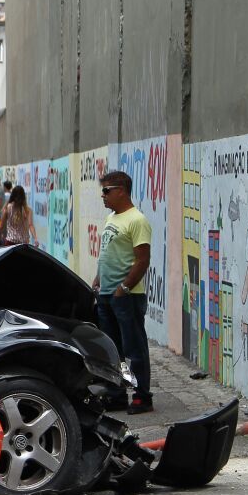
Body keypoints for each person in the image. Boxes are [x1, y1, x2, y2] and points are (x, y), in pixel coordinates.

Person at [92, 170, 154, 414]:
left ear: (121, 190)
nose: (103, 196)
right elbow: (106, 253)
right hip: (106, 294)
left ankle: (142, 396)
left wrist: (124, 288)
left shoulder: (137, 220)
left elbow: (142, 260)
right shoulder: (111, 219)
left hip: (127, 296)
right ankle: (116, 394)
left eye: (106, 191)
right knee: (113, 351)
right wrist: (98, 279)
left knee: (134, 349)